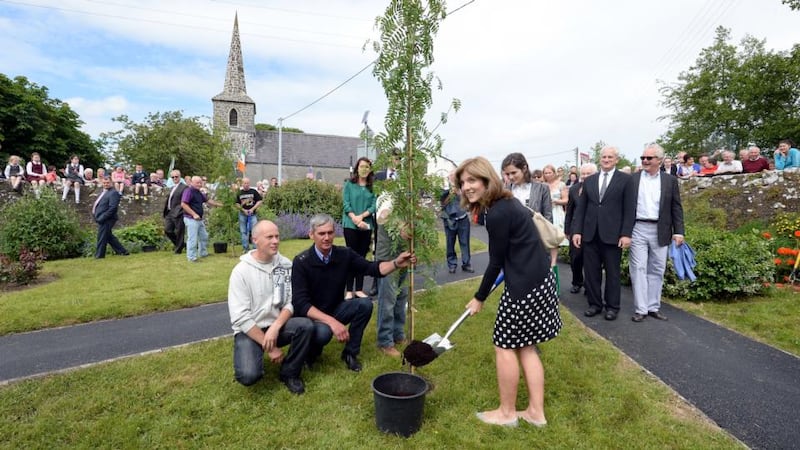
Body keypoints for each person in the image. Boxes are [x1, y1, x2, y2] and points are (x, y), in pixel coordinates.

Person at [457, 156, 562, 428]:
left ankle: (506, 413)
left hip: (524, 288)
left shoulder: (498, 213)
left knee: (504, 345)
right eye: (462, 182)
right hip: (540, 280)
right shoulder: (508, 202)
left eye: (472, 180)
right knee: (527, 346)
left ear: (486, 180)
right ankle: (535, 413)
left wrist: (479, 297)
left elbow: (495, 261)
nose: (466, 187)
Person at [291, 213, 415, 372]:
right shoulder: (301, 261)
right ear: (311, 235)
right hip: (311, 317)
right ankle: (309, 353)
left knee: (364, 304)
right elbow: (301, 304)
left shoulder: (344, 254)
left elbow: (373, 268)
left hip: (335, 309)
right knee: (324, 333)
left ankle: (350, 354)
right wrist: (332, 322)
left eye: (330, 232)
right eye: (321, 233)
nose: (327, 238)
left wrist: (396, 263)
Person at [227, 220, 313, 394]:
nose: (275, 241)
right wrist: (271, 348)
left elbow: (290, 302)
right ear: (255, 240)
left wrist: (275, 327)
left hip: (276, 326)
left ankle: (289, 372)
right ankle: (255, 352)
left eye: (277, 236)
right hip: (250, 330)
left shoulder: (285, 265)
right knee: (248, 376)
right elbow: (240, 317)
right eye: (269, 237)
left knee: (306, 326)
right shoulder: (241, 272)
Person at [572, 146, 636, 321]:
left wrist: (626, 234)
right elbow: (582, 208)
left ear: (616, 159)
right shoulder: (590, 180)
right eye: (604, 157)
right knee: (591, 272)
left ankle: (612, 307)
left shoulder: (625, 180)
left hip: (613, 235)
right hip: (590, 234)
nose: (606, 160)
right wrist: (577, 231)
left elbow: (630, 209)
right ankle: (595, 304)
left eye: (610, 157)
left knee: (613, 273)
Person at [629, 144, 685, 322]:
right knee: (638, 268)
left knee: (657, 269)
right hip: (638, 228)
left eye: (649, 158)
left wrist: (679, 232)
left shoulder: (670, 181)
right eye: (643, 158)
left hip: (661, 229)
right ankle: (641, 308)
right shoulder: (633, 179)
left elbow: (676, 207)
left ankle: (653, 306)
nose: (645, 161)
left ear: (659, 160)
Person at [374, 194, 411, 357]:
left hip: (403, 256)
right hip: (388, 258)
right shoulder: (386, 196)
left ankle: (398, 334)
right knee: (387, 300)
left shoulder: (407, 196)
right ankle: (385, 341)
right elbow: (383, 216)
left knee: (401, 297)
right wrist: (400, 226)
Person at [341, 157, 377, 299]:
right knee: (351, 256)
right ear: (357, 168)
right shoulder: (349, 184)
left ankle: (359, 289)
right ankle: (349, 290)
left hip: (365, 226)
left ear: (370, 170)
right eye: (362, 166)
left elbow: (374, 205)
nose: (364, 169)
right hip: (350, 225)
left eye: (367, 167)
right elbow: (346, 203)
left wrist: (362, 216)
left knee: (361, 257)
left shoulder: (372, 187)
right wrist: (355, 218)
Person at [564, 162, 597, 294]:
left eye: (589, 173)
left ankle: (590, 286)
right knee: (575, 258)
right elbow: (569, 211)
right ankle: (577, 281)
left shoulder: (598, 189)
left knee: (591, 260)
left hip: (592, 229)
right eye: (583, 173)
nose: (585, 176)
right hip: (576, 228)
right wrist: (567, 230)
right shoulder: (574, 189)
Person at [181, 175, 222, 262]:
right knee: (192, 239)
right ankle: (191, 257)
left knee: (204, 236)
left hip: (199, 219)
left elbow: (208, 200)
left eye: (200, 182)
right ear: (192, 183)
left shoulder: (199, 192)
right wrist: (194, 214)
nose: (199, 184)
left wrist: (221, 205)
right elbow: (183, 204)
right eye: (197, 183)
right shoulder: (189, 191)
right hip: (191, 218)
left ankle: (203, 253)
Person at [92, 176, 129, 258]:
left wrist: (103, 217)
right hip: (101, 217)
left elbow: (113, 208)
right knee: (108, 236)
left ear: (111, 183)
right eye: (104, 183)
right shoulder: (103, 192)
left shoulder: (114, 193)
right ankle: (123, 251)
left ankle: (99, 256)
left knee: (101, 236)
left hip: (107, 218)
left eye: (107, 183)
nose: (106, 184)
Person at [542, 164, 569, 246]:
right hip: (546, 212)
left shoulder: (561, 184)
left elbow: (566, 200)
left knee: (559, 235)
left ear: (554, 173)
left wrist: (555, 201)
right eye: (545, 173)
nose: (547, 175)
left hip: (557, 211)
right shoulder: (542, 185)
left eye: (549, 172)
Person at [163, 170, 188, 254]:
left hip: (178, 212)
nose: (174, 178)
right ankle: (181, 245)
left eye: (176, 177)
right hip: (169, 212)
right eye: (172, 177)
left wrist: (180, 210)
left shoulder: (184, 187)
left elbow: (185, 200)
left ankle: (178, 250)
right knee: (168, 230)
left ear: (180, 177)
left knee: (179, 231)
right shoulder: (173, 187)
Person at [235, 177, 263, 252]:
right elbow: (236, 203)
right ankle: (245, 248)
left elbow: (260, 201)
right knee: (243, 231)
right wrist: (243, 210)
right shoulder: (239, 193)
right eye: (245, 183)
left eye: (248, 183)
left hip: (252, 214)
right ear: (242, 184)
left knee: (254, 231)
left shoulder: (253, 191)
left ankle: (255, 248)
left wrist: (252, 209)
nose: (246, 184)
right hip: (242, 214)